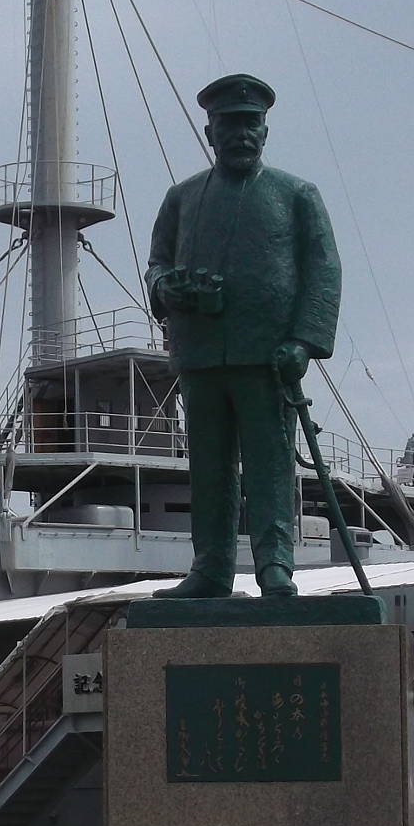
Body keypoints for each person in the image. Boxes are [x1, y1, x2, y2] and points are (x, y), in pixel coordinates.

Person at [147, 74, 341, 599]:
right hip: (202, 355)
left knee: (270, 464)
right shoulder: (181, 198)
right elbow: (157, 264)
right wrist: (168, 288)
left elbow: (324, 270)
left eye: (250, 123)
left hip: (268, 355)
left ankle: (275, 563)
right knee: (208, 468)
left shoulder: (296, 194)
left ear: (265, 130)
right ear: (210, 132)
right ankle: (210, 567)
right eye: (229, 124)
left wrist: (305, 341)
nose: (241, 133)